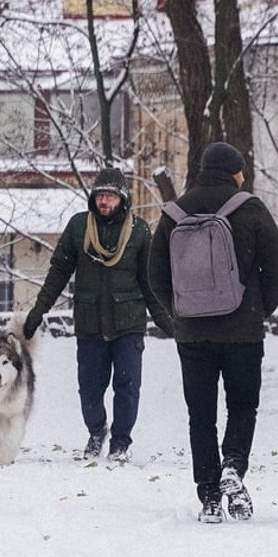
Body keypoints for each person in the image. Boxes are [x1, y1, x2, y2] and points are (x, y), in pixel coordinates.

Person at [148, 142, 278, 523]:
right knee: (243, 405)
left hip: (193, 335)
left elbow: (155, 274)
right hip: (243, 331)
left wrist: (180, 312)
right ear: (235, 172)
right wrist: (259, 310)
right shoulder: (250, 208)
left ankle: (210, 496)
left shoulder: (174, 213)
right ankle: (234, 466)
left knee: (201, 414)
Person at [24, 167, 174, 462]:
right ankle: (96, 432)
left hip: (128, 322)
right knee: (90, 389)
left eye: (110, 196)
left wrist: (167, 321)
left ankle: (120, 443)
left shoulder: (140, 231)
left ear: (123, 199)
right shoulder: (79, 227)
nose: (104, 202)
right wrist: (39, 310)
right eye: (100, 196)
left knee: (128, 386)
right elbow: (58, 272)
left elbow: (150, 281)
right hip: (90, 322)